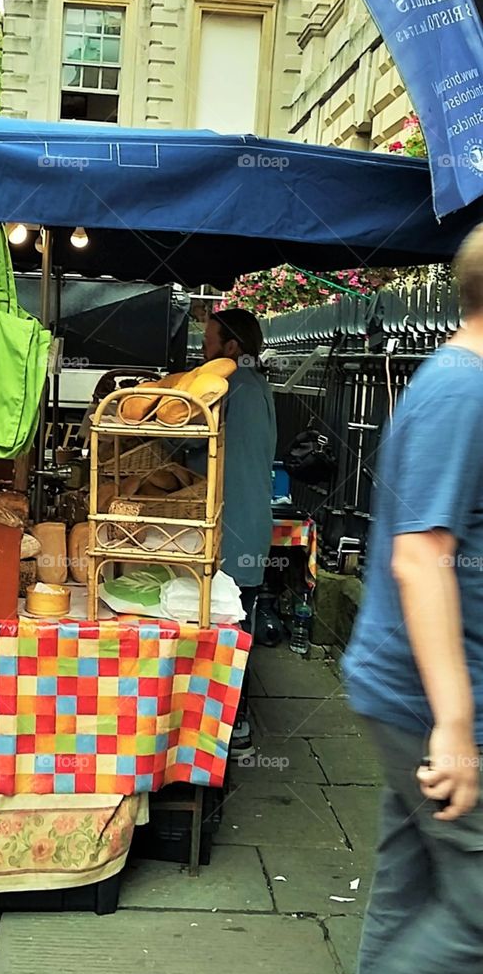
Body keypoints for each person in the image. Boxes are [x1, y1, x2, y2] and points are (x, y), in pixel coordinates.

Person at [325, 224, 483, 974]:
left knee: (413, 881)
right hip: (431, 698)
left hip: (415, 690)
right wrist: (455, 729)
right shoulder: (465, 394)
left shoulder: (456, 383)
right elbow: (421, 559)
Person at [191, 308, 277, 759]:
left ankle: (228, 726)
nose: (202, 350)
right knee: (239, 625)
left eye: (208, 342)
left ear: (231, 347)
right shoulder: (258, 385)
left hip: (231, 530)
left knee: (228, 628)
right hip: (251, 525)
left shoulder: (226, 388)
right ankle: (235, 721)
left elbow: (193, 448)